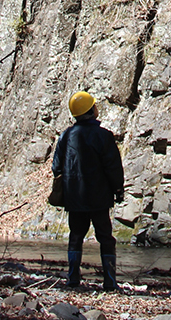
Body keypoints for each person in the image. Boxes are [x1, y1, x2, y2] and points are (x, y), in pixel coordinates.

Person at [52, 90, 125, 291]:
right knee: (105, 237)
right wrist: (118, 189)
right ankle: (110, 281)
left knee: (76, 236)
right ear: (92, 111)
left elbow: (56, 168)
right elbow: (113, 167)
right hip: (100, 198)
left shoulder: (65, 136)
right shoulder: (104, 136)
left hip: (74, 197)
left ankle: (73, 278)